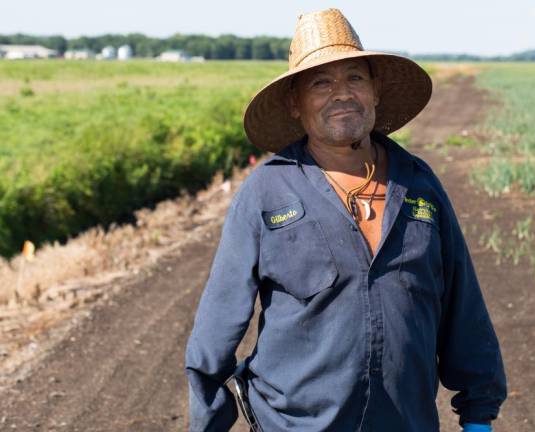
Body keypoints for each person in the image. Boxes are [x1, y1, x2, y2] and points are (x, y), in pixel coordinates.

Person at [185, 8, 506, 432]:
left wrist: (478, 416)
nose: (341, 93)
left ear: (375, 91)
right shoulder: (266, 191)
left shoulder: (419, 185)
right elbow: (218, 322)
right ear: (295, 103)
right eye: (321, 82)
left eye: (354, 77)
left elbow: (462, 305)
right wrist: (208, 420)